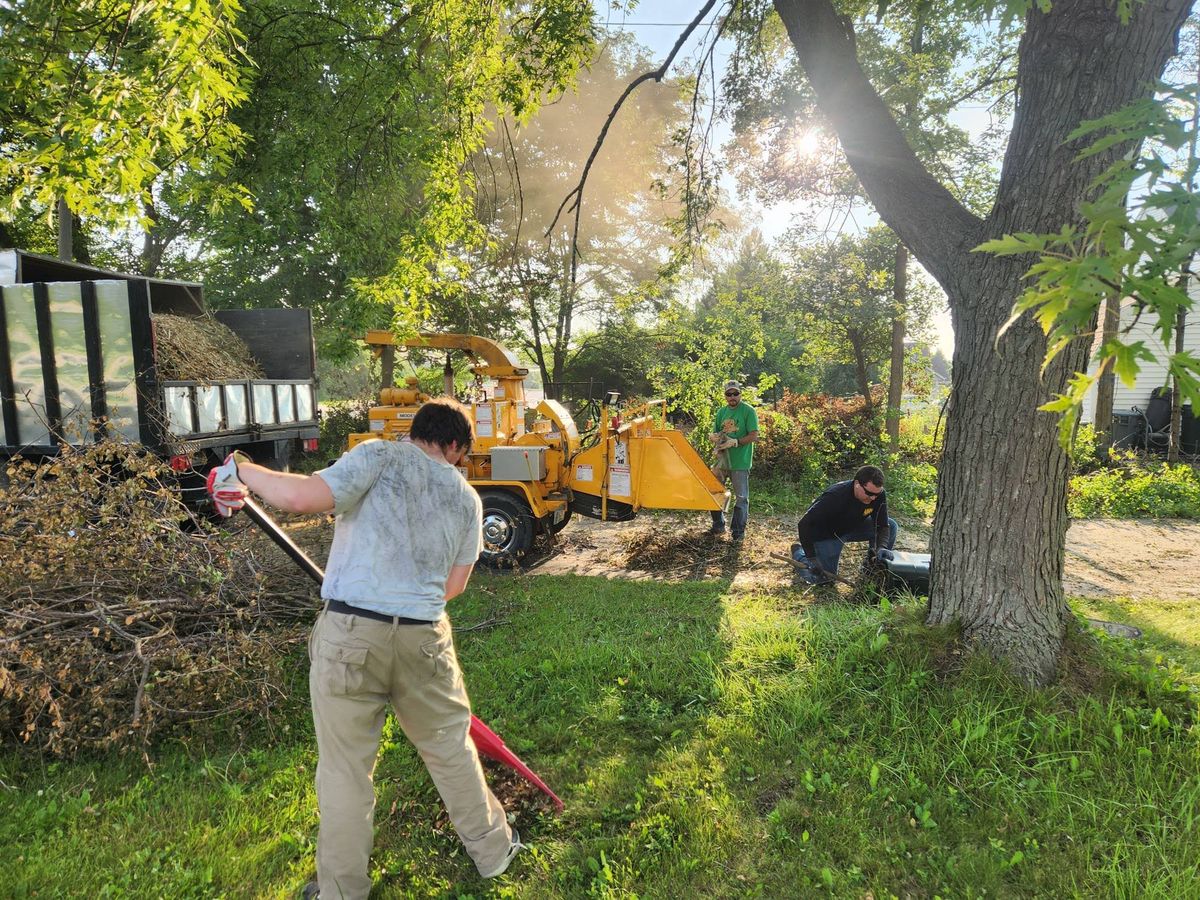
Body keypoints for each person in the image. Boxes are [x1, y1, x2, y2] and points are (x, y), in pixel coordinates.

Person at [206, 399, 521, 899]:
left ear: (415, 433)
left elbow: (303, 497)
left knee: (346, 770)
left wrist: (244, 469)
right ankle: (493, 851)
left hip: (351, 634)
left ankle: (342, 891)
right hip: (425, 640)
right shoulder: (466, 498)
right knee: (450, 749)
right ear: (456, 446)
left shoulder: (377, 457)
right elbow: (454, 586)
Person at [791, 465, 899, 583]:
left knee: (891, 525)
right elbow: (804, 524)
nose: (873, 498)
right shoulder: (834, 496)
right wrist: (811, 557)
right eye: (869, 493)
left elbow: (882, 525)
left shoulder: (877, 495)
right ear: (857, 484)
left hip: (853, 527)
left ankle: (872, 569)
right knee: (824, 580)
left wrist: (881, 547)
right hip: (828, 534)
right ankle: (799, 554)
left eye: (877, 494)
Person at [708, 380, 758, 541]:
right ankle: (718, 526)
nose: (732, 397)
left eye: (735, 393)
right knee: (715, 491)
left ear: (740, 394)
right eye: (729, 394)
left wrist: (736, 442)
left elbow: (753, 435)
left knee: (741, 497)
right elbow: (717, 434)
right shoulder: (721, 412)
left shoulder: (748, 411)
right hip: (722, 461)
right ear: (725, 396)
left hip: (740, 462)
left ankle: (737, 533)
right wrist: (715, 438)